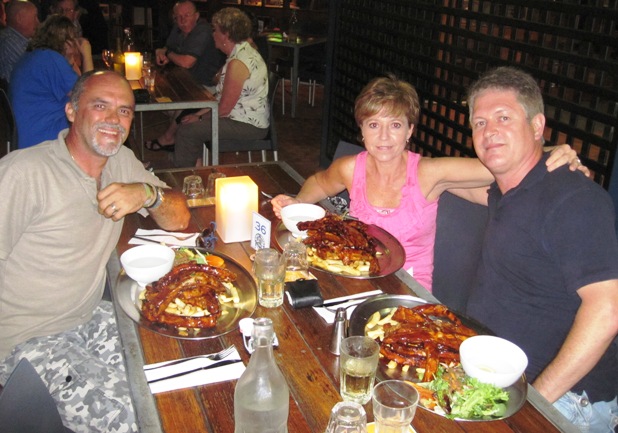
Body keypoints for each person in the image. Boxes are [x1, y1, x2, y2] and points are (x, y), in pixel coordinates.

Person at [0, 70, 191, 432]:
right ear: (72, 111)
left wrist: (147, 194)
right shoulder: (24, 173)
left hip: (89, 314)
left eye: (124, 111)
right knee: (144, 419)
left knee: (176, 363)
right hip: (27, 339)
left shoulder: (121, 162)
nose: (114, 120)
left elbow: (179, 218)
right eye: (100, 106)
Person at [271, 74, 585, 290]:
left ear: (410, 130)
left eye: (395, 125)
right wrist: (298, 203)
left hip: (408, 291)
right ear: (362, 130)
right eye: (373, 125)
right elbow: (320, 182)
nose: (384, 137)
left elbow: (502, 162)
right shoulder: (350, 169)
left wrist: (551, 151)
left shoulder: (428, 172)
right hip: (356, 279)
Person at [457, 67, 617, 433]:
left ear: (536, 125)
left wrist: (532, 404)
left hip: (562, 398)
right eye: (480, 123)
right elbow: (438, 178)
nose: (489, 131)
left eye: (503, 118)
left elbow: (607, 311)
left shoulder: (573, 198)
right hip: (496, 377)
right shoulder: (506, 192)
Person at [172, 7, 269, 167]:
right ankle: (195, 170)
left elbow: (223, 109)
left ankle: (184, 176)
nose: (213, 34)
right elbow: (220, 98)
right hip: (238, 118)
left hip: (247, 125)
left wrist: (200, 118)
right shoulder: (241, 51)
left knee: (187, 131)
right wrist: (198, 114)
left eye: (215, 30)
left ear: (226, 35)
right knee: (189, 122)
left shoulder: (238, 63)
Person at [145, 0, 224, 152]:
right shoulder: (178, 28)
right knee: (159, 95)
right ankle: (178, 139)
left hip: (208, 86)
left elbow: (186, 62)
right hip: (187, 81)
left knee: (183, 104)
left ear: (197, 16)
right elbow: (169, 47)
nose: (182, 20)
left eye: (187, 15)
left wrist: (167, 53)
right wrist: (163, 52)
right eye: (178, 17)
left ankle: (169, 138)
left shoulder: (203, 31)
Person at [9, 14, 93, 148]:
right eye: (75, 39)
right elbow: (90, 95)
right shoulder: (50, 59)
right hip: (45, 139)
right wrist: (86, 53)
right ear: (67, 42)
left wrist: (71, 62)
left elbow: (78, 86)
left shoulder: (35, 56)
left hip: (30, 136)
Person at [0, 0, 39, 84]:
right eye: (34, 17)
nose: (37, 22)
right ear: (19, 18)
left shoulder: (21, 40)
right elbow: (39, 70)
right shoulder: (10, 43)